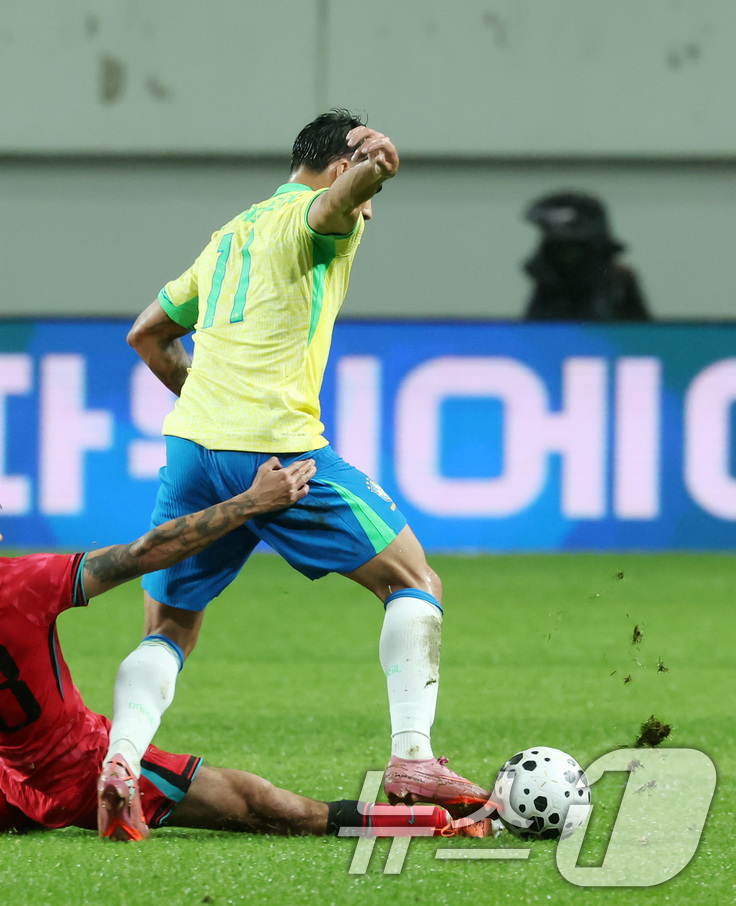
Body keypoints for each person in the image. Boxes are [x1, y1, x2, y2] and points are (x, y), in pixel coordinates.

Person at [100, 109, 491, 833]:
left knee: (171, 625)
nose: (369, 210)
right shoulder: (318, 218)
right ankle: (413, 759)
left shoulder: (231, 236)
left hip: (192, 451)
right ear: (340, 167)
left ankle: (121, 759)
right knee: (413, 581)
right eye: (362, 188)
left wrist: (211, 403)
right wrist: (380, 168)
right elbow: (334, 208)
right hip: (278, 451)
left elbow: (147, 335)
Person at [0, 472, 494, 841]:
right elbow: (145, 553)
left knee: (34, 793)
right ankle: (434, 823)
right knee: (271, 809)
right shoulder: (17, 589)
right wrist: (250, 503)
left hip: (19, 773)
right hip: (83, 768)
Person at [522, 191, 649, 321]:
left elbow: (643, 335)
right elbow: (534, 333)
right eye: (557, 248)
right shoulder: (548, 284)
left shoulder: (619, 280)